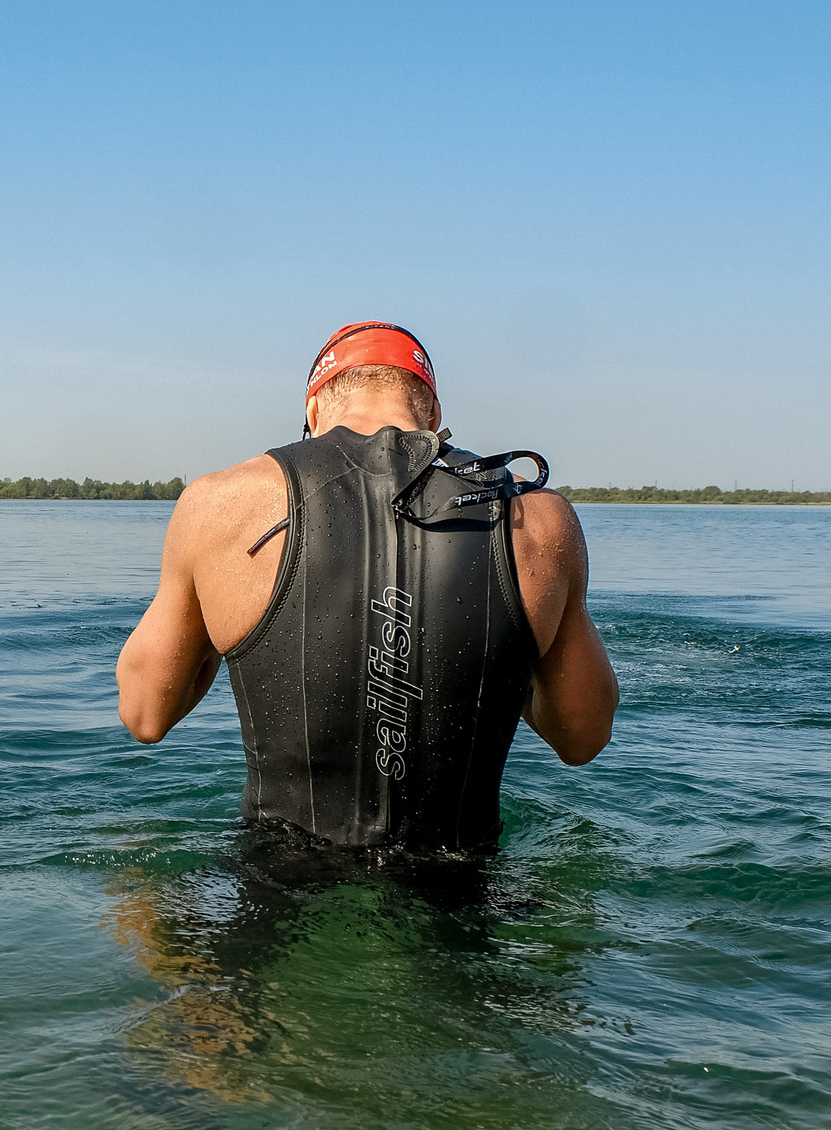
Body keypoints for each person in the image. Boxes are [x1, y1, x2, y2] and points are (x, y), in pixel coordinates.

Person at [115, 321, 617, 855]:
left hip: (276, 894)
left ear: (314, 410)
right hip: (463, 900)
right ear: (433, 416)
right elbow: (583, 736)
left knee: (139, 909)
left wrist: (215, 621)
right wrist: (502, 663)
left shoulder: (219, 505)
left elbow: (145, 715)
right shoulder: (537, 519)